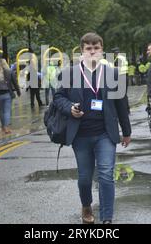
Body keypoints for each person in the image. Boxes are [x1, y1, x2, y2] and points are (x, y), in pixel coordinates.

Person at [54, 32, 131, 224]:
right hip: (80, 135)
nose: (92, 51)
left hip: (105, 133)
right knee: (85, 179)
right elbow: (58, 98)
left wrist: (127, 131)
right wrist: (69, 108)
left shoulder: (113, 74)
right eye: (88, 48)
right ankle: (86, 204)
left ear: (102, 50)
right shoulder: (69, 73)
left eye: (96, 48)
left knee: (106, 174)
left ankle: (107, 218)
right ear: (82, 50)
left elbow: (122, 104)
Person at [0, 58, 21, 134]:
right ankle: (6, 127)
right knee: (7, 111)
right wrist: (18, 92)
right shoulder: (10, 72)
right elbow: (15, 83)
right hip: (7, 94)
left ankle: (3, 126)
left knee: (1, 111)